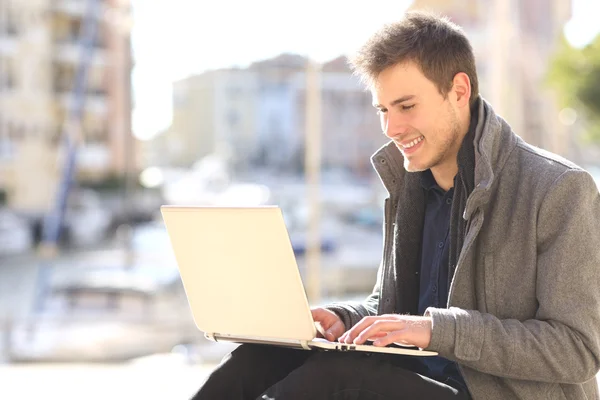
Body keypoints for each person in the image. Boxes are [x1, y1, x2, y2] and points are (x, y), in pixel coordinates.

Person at [191, 11, 600, 400]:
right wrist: (346, 319)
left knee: (334, 380)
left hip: (492, 393)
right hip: (416, 379)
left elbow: (578, 349)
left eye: (406, 107)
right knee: (260, 357)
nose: (391, 128)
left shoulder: (558, 189)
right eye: (383, 110)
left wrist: (438, 331)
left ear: (459, 91)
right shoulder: (411, 187)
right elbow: (393, 310)